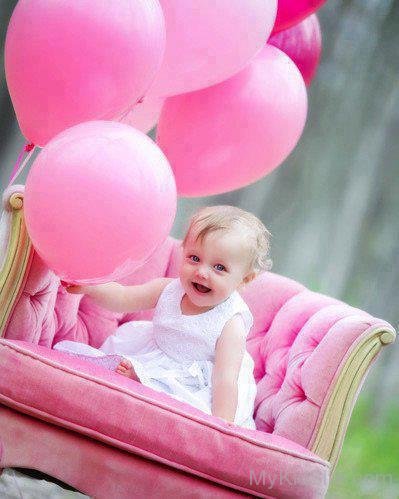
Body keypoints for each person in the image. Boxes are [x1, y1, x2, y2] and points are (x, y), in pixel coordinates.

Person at [54, 205, 272, 429]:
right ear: (183, 252)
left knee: (188, 411)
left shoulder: (231, 323)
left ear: (244, 280)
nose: (202, 272)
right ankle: (138, 382)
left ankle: (145, 385)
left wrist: (222, 426)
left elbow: (225, 378)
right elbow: (124, 297)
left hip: (196, 380)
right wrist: (90, 287)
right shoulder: (169, 289)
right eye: (194, 258)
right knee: (112, 365)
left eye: (219, 267)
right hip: (156, 353)